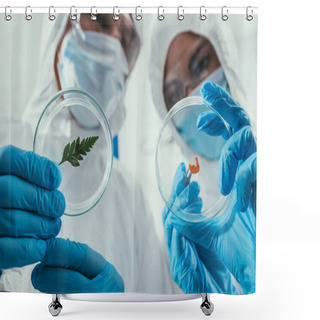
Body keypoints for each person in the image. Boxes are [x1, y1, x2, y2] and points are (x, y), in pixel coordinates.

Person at [0, 14, 179, 294]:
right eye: (103, 22)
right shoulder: (3, 142)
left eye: (126, 39)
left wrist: (121, 312)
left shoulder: (129, 196)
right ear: (59, 29)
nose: (114, 45)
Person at [149, 16, 256, 294]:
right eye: (174, 93)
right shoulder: (179, 241)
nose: (191, 94)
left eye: (201, 64)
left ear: (226, 61)